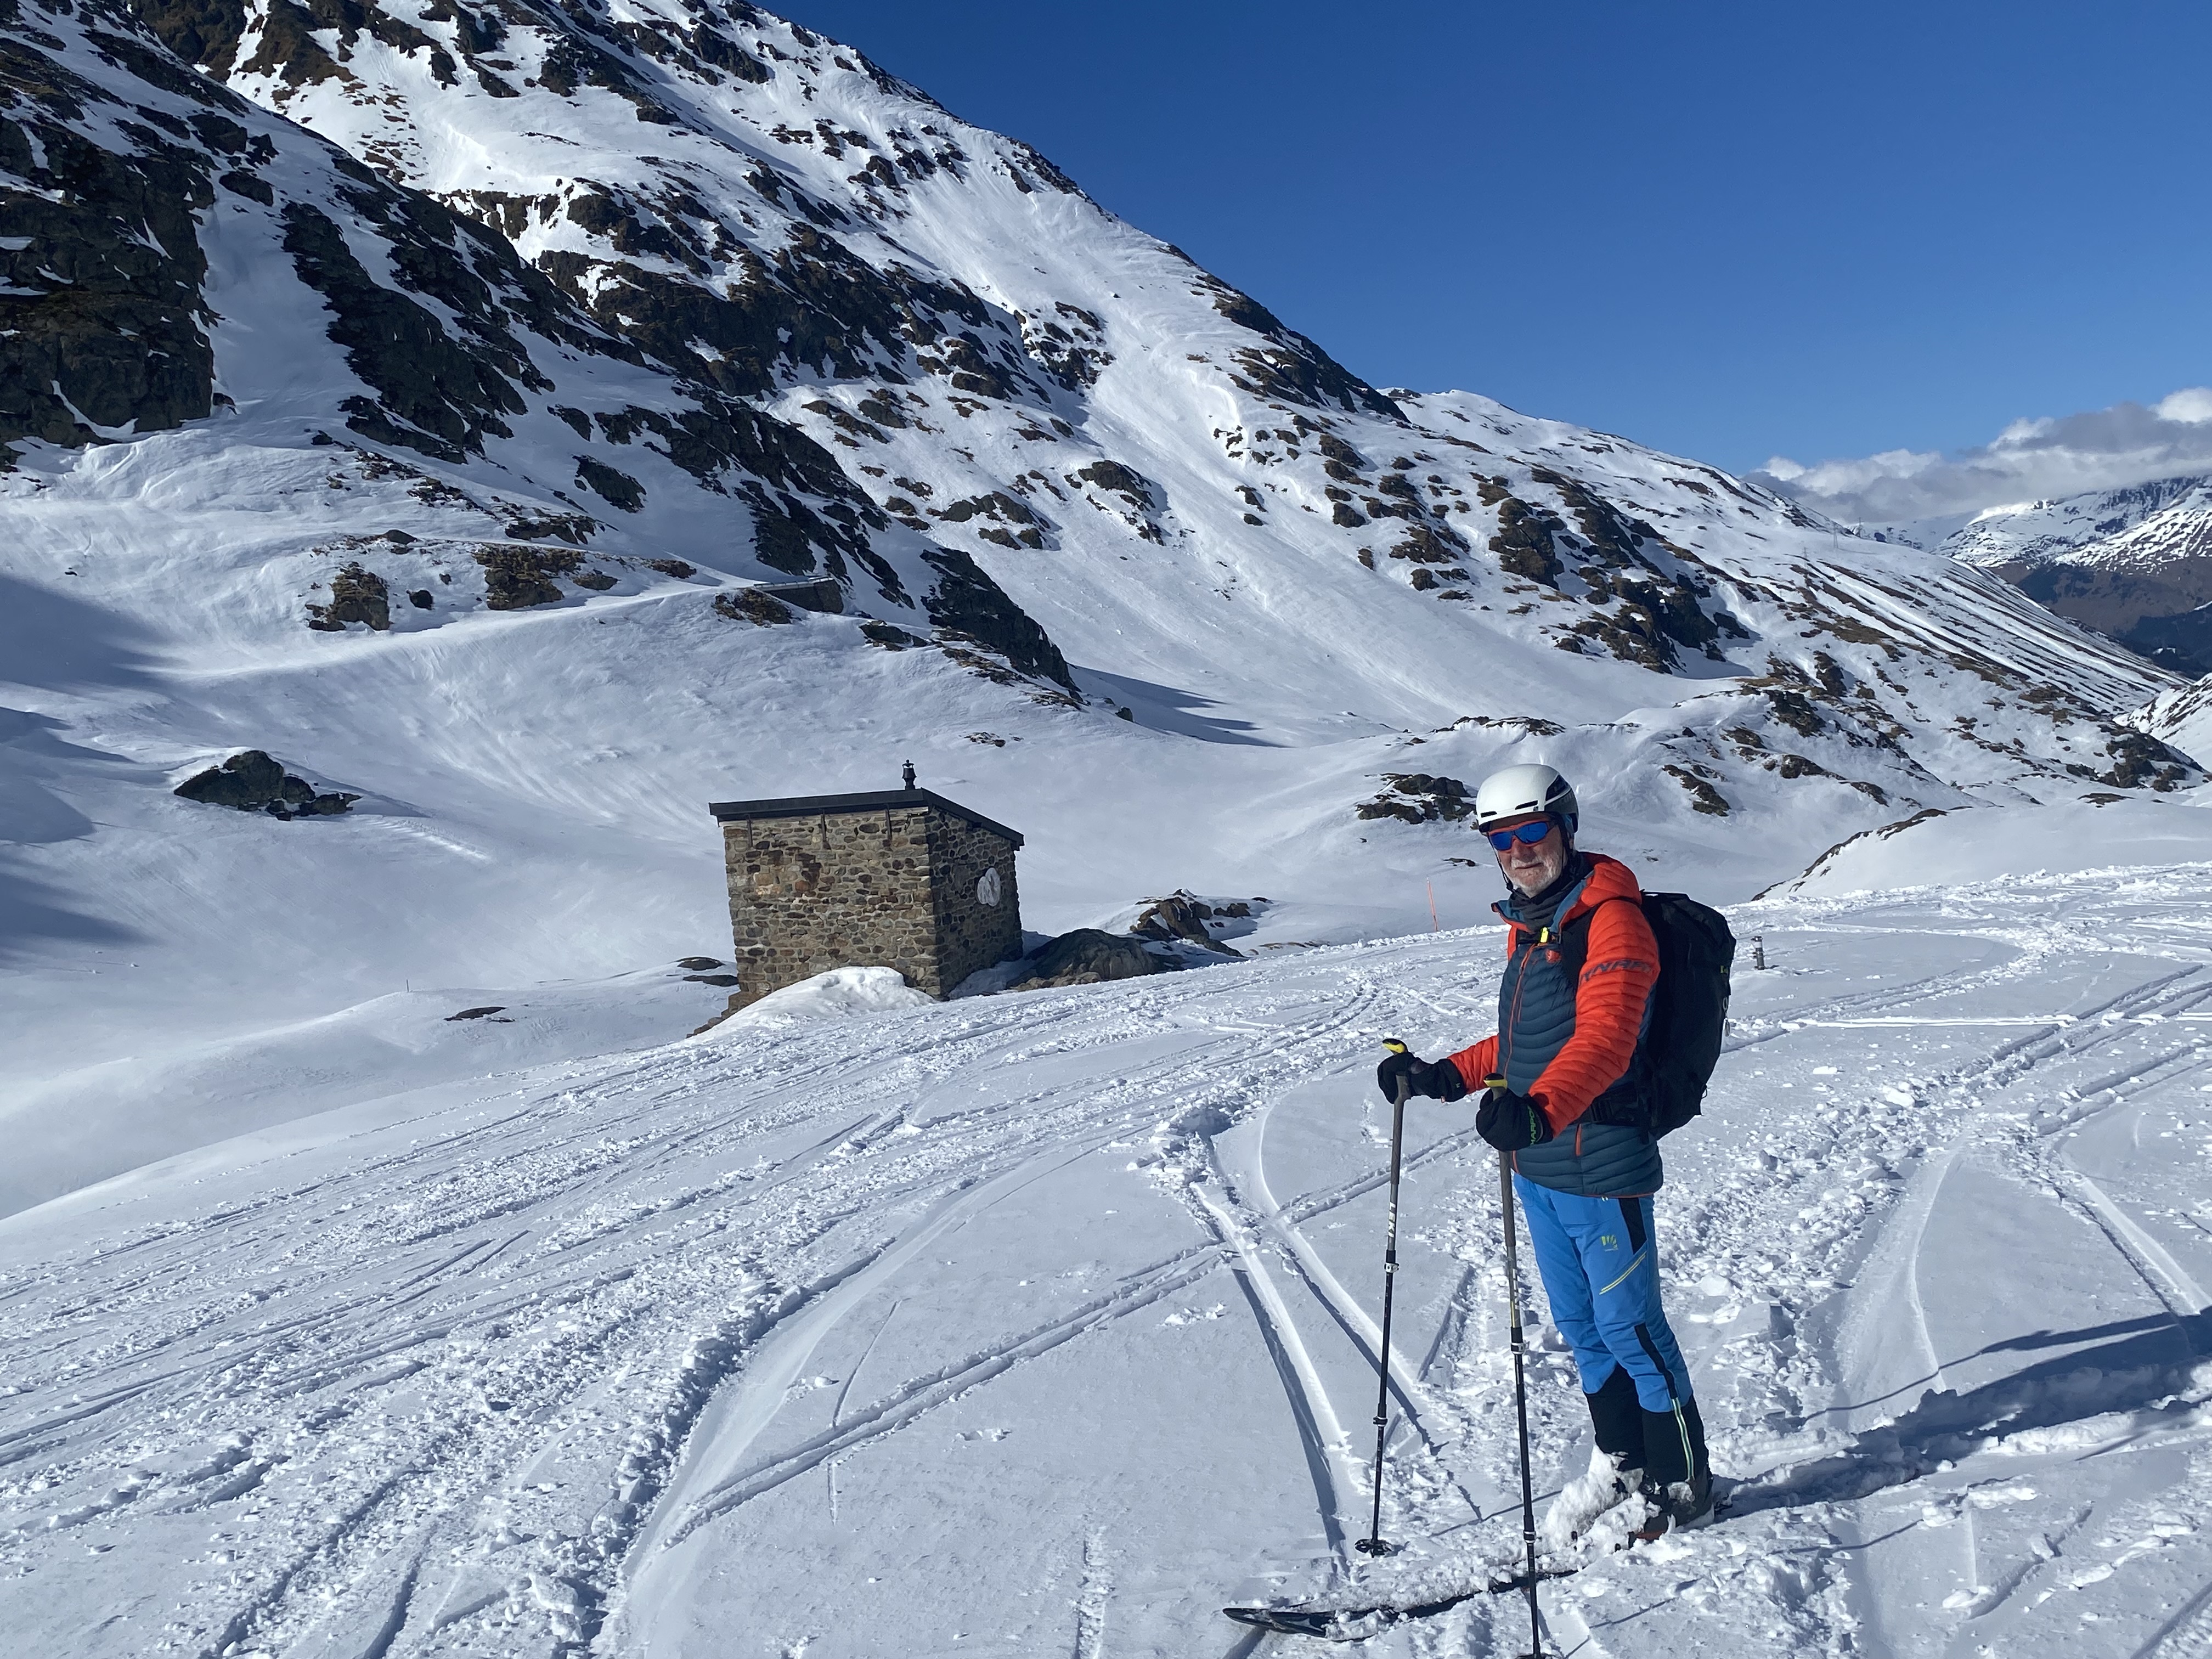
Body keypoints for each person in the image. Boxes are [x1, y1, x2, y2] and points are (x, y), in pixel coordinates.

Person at [1376, 762, 1712, 1541]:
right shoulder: (1536, 926)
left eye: (1533, 832)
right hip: (1543, 1168)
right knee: (1582, 1327)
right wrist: (1443, 1076)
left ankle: (1684, 1482)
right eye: (1503, 838)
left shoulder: (1612, 920)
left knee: (1632, 1328)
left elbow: (1607, 1038)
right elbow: (1530, 1045)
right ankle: (1622, 1460)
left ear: (1565, 827)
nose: (1520, 851)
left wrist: (1539, 1113)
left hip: (1602, 1159)